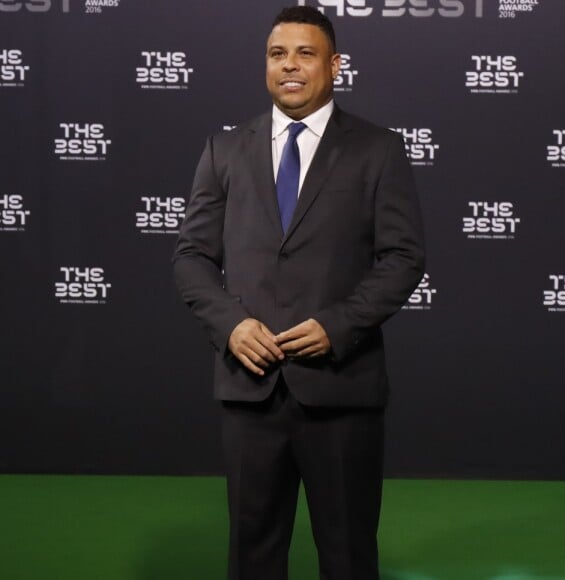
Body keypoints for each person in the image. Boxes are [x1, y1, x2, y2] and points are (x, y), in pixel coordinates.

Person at [173, 6, 425, 579]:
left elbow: (403, 257)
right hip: (249, 389)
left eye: (305, 54)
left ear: (335, 65)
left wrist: (338, 326)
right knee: (253, 553)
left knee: (348, 555)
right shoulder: (224, 149)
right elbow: (190, 256)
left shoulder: (378, 149)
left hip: (341, 389)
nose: (289, 66)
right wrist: (231, 324)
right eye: (277, 54)